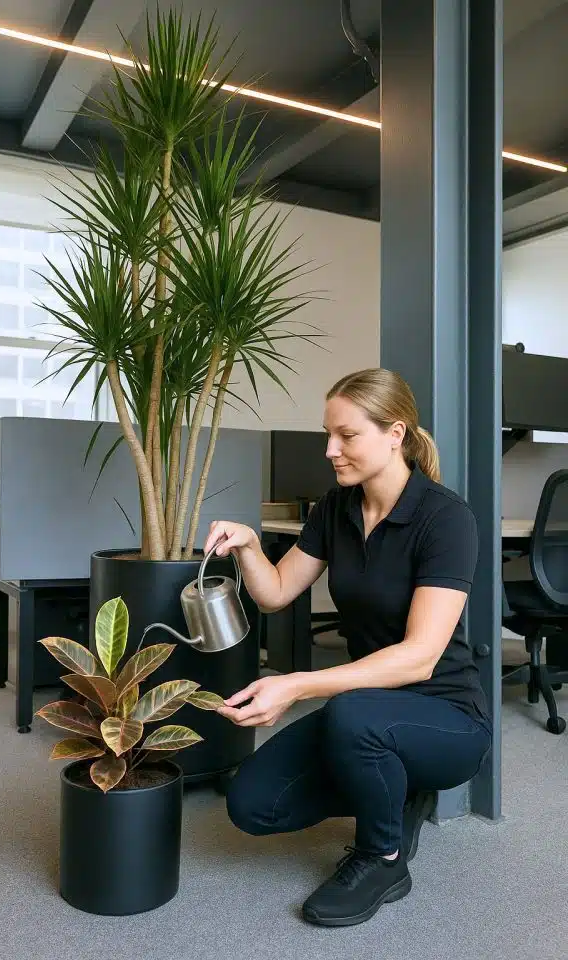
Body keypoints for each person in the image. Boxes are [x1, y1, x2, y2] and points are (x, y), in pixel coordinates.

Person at [203, 367, 492, 928]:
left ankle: (382, 858)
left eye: (347, 435)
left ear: (395, 433)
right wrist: (248, 545)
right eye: (327, 435)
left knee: (353, 713)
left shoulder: (444, 517)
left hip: (448, 715)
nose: (331, 450)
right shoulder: (336, 508)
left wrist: (294, 685)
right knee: (253, 803)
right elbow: (276, 593)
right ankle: (393, 790)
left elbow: (419, 657)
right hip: (367, 714)